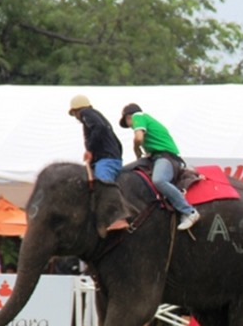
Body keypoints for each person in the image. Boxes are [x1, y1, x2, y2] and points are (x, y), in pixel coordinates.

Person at [118, 103, 200, 231]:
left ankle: (189, 211)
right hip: (153, 157)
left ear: (128, 117)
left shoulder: (138, 116)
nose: (130, 126)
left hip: (166, 157)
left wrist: (136, 150)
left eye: (127, 122)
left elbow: (138, 138)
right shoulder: (147, 120)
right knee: (121, 172)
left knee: (159, 180)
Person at [68, 94, 123, 182]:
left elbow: (99, 127)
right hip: (109, 159)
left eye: (75, 114)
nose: (76, 117)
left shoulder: (85, 113)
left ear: (75, 111)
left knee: (103, 186)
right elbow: (118, 144)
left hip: (106, 160)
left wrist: (89, 149)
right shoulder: (97, 117)